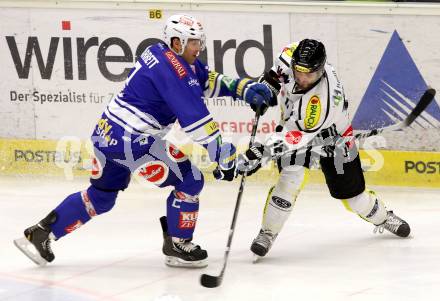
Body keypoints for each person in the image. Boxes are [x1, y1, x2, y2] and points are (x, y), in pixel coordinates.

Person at [13, 14, 275, 268]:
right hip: (134, 141)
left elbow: (204, 79)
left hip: (107, 134)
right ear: (177, 42)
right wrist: (223, 153)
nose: (199, 47)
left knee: (101, 197)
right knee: (190, 179)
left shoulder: (161, 53)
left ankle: (42, 233)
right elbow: (194, 118)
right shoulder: (172, 71)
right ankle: (177, 243)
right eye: (193, 42)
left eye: (199, 41)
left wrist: (244, 89)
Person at [236, 39, 411, 260]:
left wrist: (260, 152)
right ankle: (268, 232)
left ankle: (383, 217)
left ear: (320, 69)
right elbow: (274, 75)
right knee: (289, 180)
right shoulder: (292, 55)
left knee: (354, 198)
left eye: (309, 74)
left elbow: (295, 138)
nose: (302, 78)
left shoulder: (320, 101)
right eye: (298, 71)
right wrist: (265, 88)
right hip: (295, 129)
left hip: (332, 140)